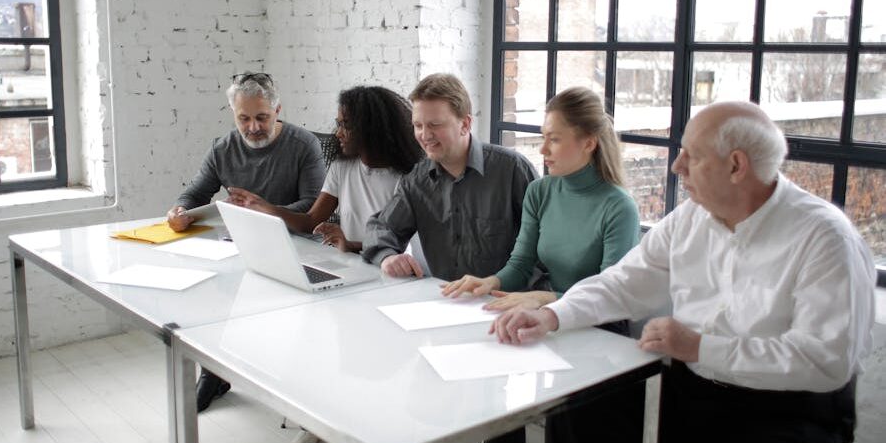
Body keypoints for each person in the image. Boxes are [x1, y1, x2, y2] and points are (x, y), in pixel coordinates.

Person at [491, 101, 876, 443]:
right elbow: (624, 283)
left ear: (736, 166)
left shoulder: (826, 238)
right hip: (692, 397)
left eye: (692, 155)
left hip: (789, 415)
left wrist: (699, 347)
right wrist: (551, 315)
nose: (677, 166)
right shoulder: (690, 218)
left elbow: (826, 360)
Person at [441, 87, 642, 443]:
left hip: (604, 342)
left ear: (589, 143)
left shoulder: (618, 207)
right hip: (557, 329)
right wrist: (489, 281)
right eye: (542, 138)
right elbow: (520, 264)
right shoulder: (541, 192)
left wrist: (543, 299)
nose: (543, 150)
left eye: (554, 139)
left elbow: (614, 297)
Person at [166, 71, 326, 413]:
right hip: (241, 240)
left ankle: (244, 372)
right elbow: (197, 191)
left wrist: (264, 209)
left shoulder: (303, 145)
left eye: (262, 117)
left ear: (278, 109)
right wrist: (180, 208)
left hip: (295, 242)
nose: (253, 127)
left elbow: (313, 207)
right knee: (203, 285)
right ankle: (214, 370)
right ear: (233, 114)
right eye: (244, 118)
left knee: (248, 288)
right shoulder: (223, 147)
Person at [362, 73, 539, 281]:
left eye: (435, 125)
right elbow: (381, 228)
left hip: (507, 303)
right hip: (447, 302)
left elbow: (548, 245)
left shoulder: (512, 170)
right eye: (418, 125)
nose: (425, 136)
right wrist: (387, 257)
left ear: (465, 124)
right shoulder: (416, 181)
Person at [226, 85, 423, 253]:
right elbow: (311, 221)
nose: (338, 133)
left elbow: (398, 247)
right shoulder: (342, 167)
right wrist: (263, 206)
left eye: (347, 125)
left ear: (371, 129)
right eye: (338, 124)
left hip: (386, 269)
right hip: (351, 262)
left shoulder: (407, 178)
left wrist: (349, 245)